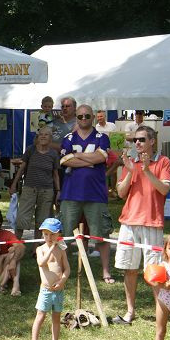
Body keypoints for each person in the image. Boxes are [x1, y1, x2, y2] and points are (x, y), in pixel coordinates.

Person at [112, 126, 170, 325]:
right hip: (129, 222)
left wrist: (147, 170)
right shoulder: (130, 163)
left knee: (154, 271)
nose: (137, 143)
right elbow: (120, 193)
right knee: (129, 269)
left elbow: (164, 190)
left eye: (141, 140)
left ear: (152, 141)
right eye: (134, 141)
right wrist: (130, 172)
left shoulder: (163, 161)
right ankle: (129, 312)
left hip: (152, 222)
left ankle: (161, 312)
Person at [58, 104, 113, 283]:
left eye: (87, 116)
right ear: (76, 117)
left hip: (95, 193)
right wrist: (90, 161)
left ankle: (106, 272)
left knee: (101, 235)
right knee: (65, 235)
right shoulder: (68, 138)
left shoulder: (102, 137)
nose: (83, 119)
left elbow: (101, 157)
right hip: (70, 193)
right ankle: (61, 269)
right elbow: (66, 161)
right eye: (80, 116)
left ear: (93, 117)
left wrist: (78, 155)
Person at [12, 126, 59, 243]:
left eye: (46, 134)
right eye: (40, 134)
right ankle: (14, 245)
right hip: (29, 189)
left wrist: (58, 191)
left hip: (47, 191)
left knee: (42, 221)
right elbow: (22, 168)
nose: (43, 136)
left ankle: (36, 248)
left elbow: (55, 174)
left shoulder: (53, 154)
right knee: (22, 219)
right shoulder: (30, 150)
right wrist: (14, 184)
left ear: (50, 138)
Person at [30, 217, 69, 340]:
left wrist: (62, 281)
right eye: (46, 234)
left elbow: (67, 269)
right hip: (45, 290)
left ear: (59, 234)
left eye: (52, 234)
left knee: (56, 317)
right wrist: (52, 247)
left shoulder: (61, 250)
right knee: (40, 316)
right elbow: (41, 263)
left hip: (58, 290)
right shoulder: (40, 249)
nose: (49, 237)